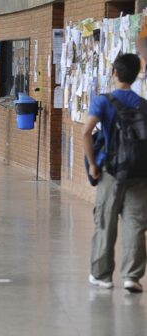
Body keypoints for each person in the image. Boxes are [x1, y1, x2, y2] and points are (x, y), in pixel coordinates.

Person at [82, 53, 147, 293]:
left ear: (115, 73)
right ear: (137, 74)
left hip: (111, 171)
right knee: (136, 225)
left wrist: (92, 164)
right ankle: (132, 276)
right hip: (140, 173)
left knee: (105, 222)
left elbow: (86, 133)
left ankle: (102, 275)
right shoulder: (143, 104)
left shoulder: (103, 101)